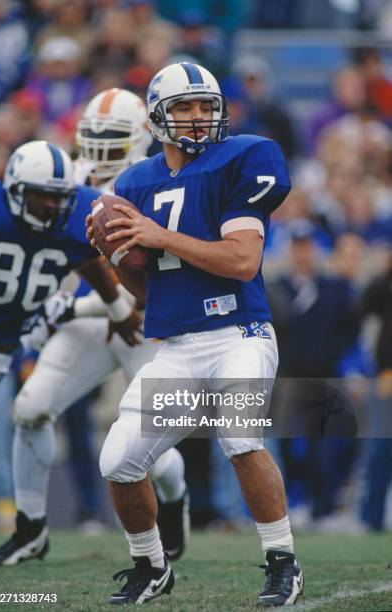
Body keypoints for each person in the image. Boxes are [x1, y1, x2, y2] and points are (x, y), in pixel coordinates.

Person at [87, 62, 303, 606]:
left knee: (239, 436)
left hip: (240, 332)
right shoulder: (135, 182)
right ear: (159, 117)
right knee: (118, 461)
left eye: (207, 106)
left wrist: (159, 235)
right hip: (177, 346)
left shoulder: (244, 157)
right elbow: (146, 294)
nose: (200, 117)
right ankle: (151, 565)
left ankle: (283, 562)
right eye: (185, 107)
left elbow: (241, 260)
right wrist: (116, 257)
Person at [0, 92, 188, 565]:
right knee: (31, 408)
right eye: (93, 138)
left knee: (147, 449)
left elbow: (154, 277)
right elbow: (71, 261)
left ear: (142, 139)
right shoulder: (62, 181)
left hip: (145, 324)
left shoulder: (162, 183)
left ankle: (175, 497)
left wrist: (106, 308)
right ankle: (31, 528)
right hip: (101, 315)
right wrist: (80, 306)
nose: (101, 150)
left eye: (114, 139)